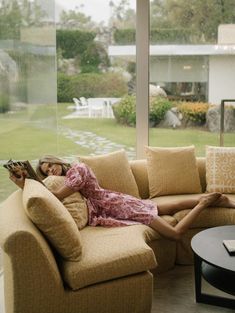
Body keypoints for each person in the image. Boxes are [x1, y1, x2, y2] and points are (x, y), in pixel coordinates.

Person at [10, 155, 235, 241]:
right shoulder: (72, 175)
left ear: (58, 161)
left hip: (118, 206)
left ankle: (205, 202)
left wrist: (26, 182)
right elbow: (56, 193)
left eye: (51, 165)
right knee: (169, 207)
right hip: (116, 202)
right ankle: (221, 200)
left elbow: (57, 196)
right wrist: (26, 181)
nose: (51, 171)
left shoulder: (76, 171)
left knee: (175, 234)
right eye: (46, 171)